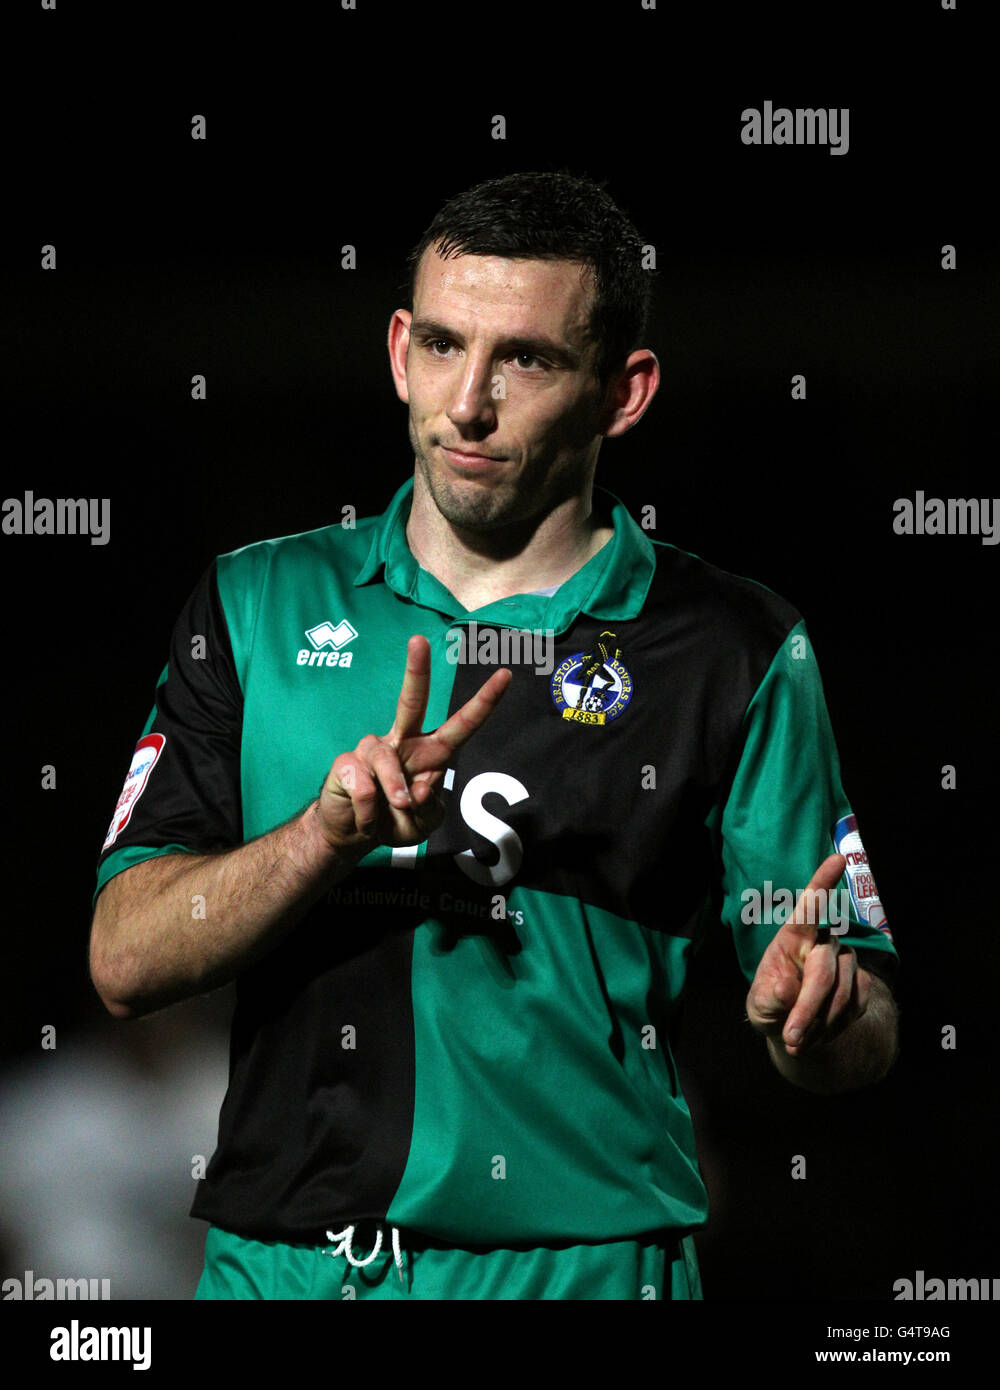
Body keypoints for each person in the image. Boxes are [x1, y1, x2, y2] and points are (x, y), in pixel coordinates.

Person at [89, 170, 899, 1301]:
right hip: (279, 1270)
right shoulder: (255, 603)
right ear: (395, 349)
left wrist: (820, 1016)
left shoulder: (733, 645)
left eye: (523, 359)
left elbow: (858, 1024)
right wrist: (319, 840)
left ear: (623, 390)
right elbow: (123, 961)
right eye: (440, 344)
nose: (466, 403)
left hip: (581, 1273)